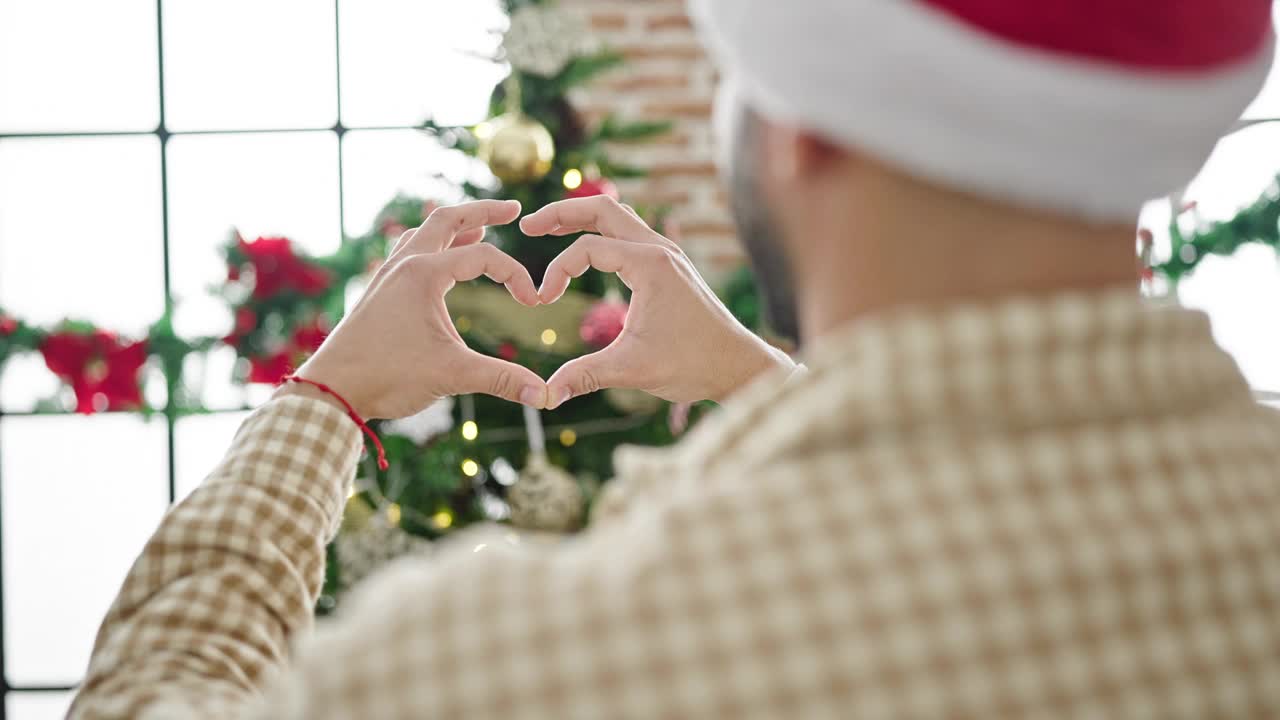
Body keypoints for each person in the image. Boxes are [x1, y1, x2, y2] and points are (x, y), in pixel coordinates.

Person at [71, 1, 1280, 718]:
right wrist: (760, 387)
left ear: (804, 130)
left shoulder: (519, 666)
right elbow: (990, 528)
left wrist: (324, 404)